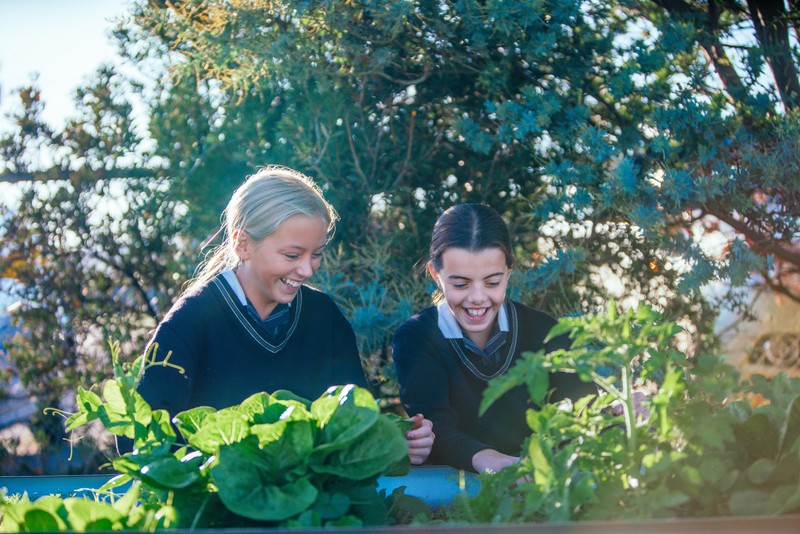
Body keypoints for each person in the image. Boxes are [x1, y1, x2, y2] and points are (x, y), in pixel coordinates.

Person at [139, 165, 433, 464]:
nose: (307, 269)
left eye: (316, 254)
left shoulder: (325, 318)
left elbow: (356, 423)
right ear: (243, 244)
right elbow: (143, 443)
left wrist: (398, 443)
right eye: (292, 255)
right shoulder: (189, 323)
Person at [392, 203, 595, 473]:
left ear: (509, 271)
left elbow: (585, 406)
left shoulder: (546, 331)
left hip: (546, 480)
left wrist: (618, 410)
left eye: (492, 282)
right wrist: (486, 458)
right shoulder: (417, 338)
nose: (477, 298)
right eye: (461, 284)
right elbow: (435, 425)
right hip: (456, 489)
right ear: (435, 274)